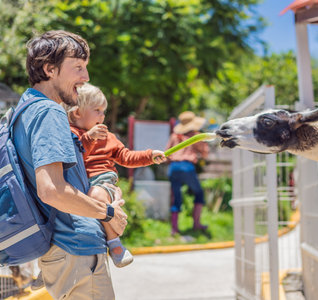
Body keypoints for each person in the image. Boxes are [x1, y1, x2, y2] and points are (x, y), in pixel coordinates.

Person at [14, 30, 127, 299]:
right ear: (49, 69)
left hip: (63, 250)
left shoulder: (24, 107)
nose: (85, 77)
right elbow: (51, 189)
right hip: (76, 247)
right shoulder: (49, 111)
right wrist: (108, 213)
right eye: (78, 67)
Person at [62, 83, 166, 267]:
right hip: (79, 185)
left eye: (104, 111)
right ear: (77, 113)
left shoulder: (108, 136)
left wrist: (149, 156)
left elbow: (126, 157)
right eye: (97, 110)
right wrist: (88, 138)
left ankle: (114, 243)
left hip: (102, 183)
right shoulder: (69, 134)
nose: (102, 116)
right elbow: (72, 156)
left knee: (95, 195)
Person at [166, 111, 209, 235]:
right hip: (187, 167)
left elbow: (167, 153)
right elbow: (205, 153)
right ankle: (196, 224)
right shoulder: (196, 136)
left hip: (173, 167)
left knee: (175, 197)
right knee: (199, 193)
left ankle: (174, 229)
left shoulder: (174, 136)